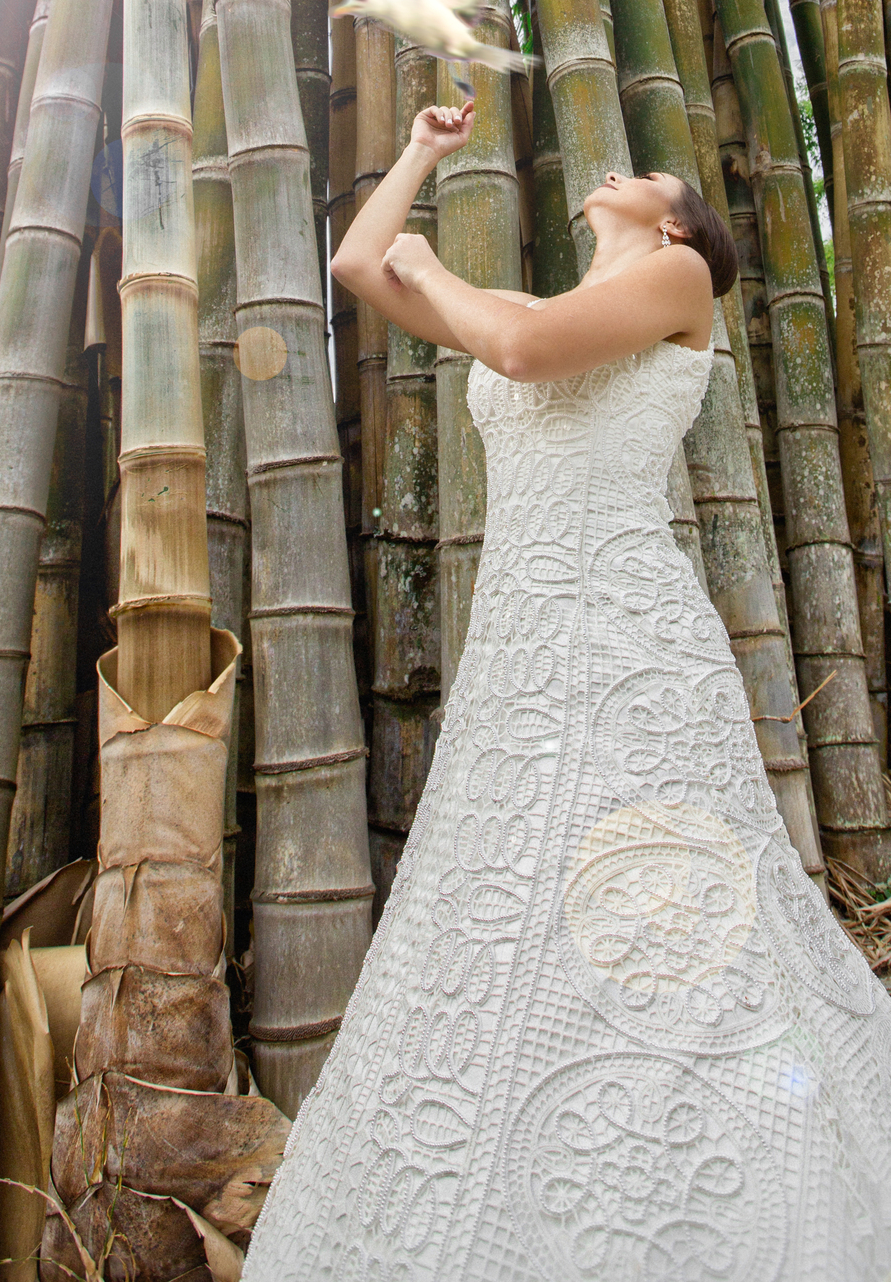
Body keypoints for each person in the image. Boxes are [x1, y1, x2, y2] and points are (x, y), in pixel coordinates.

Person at [241, 102, 891, 1282]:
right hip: (524, 642)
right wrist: (425, 161)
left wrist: (433, 263)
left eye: (646, 169)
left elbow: (522, 352)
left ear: (677, 218)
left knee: (656, 899)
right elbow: (355, 263)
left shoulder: (681, 277)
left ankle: (689, 1175)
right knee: (503, 900)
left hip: (626, 636)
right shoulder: (542, 307)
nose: (614, 169)